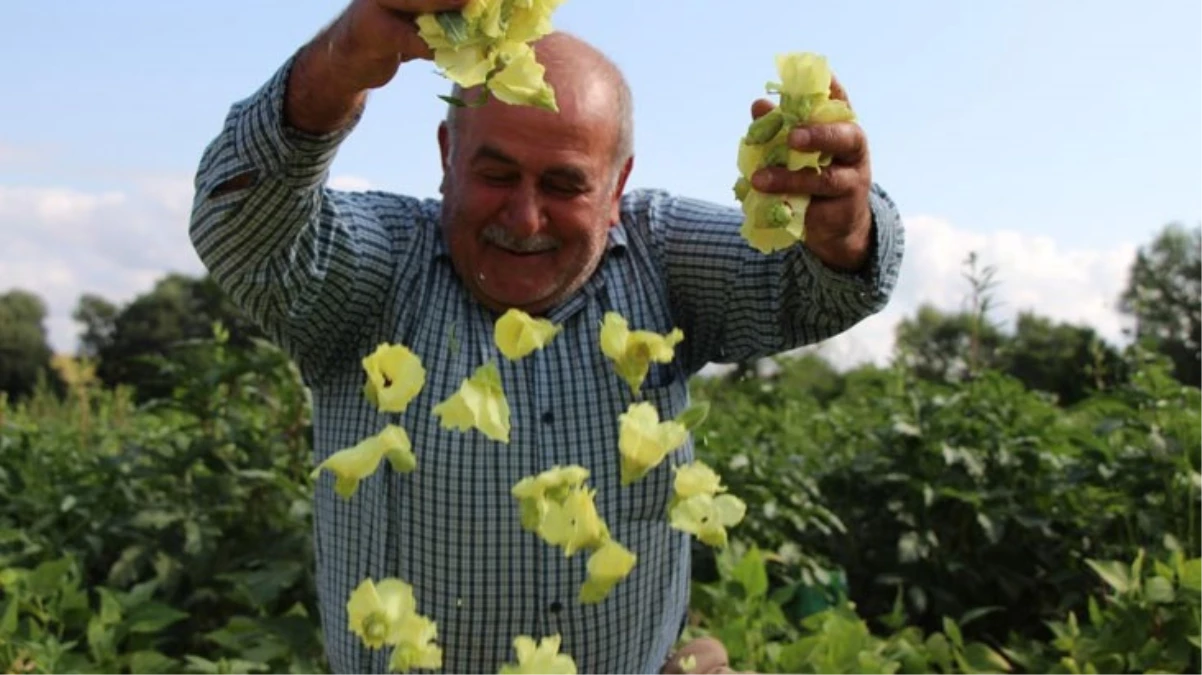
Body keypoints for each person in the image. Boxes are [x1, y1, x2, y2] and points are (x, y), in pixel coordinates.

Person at [187, 0, 905, 672]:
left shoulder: (662, 253)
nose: (525, 219)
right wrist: (343, 60)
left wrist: (844, 230)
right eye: (496, 173)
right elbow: (239, 229)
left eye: (565, 186)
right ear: (446, 156)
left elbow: (821, 290)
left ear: (618, 185)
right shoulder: (375, 272)